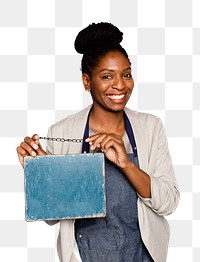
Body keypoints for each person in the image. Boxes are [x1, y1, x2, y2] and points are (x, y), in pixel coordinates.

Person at [16, 22, 180, 262]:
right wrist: (44, 175)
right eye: (106, 76)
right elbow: (52, 218)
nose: (120, 85)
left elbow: (169, 203)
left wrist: (127, 164)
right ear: (86, 81)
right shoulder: (62, 131)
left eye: (126, 74)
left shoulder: (150, 127)